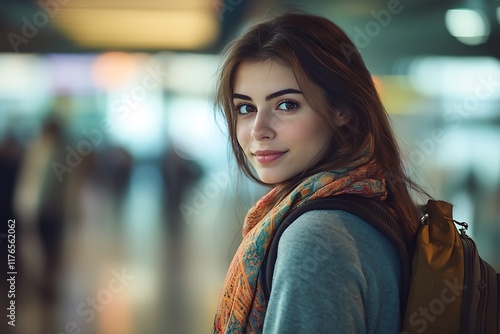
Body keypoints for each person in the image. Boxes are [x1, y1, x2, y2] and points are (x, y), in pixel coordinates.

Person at [211, 10, 426, 334]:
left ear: (343, 110)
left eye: (286, 104)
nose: (258, 130)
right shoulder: (373, 203)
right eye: (246, 108)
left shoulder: (316, 238)